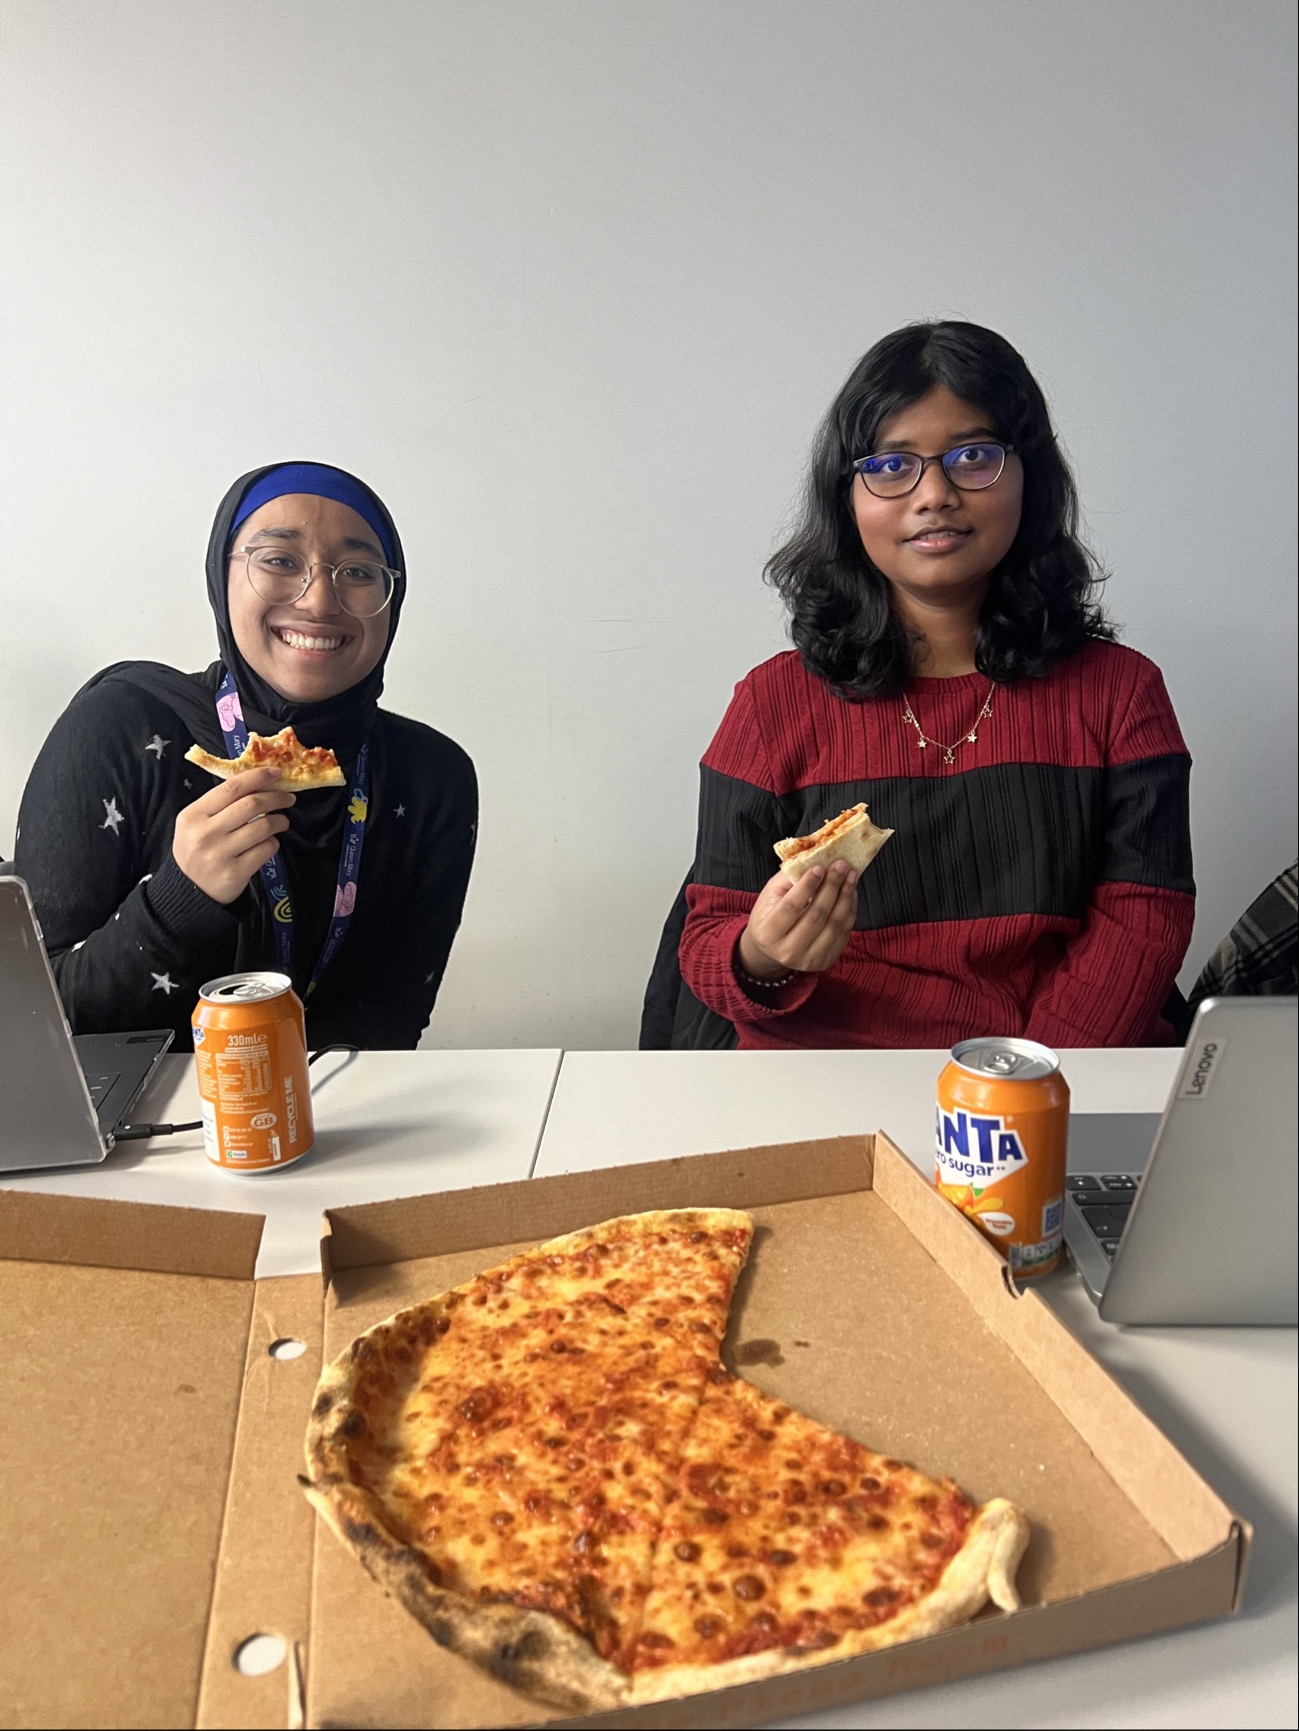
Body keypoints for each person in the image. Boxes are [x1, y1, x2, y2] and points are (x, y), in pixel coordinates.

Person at [677, 321, 1194, 1050]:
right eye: (891, 465)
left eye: (973, 456)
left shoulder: (1120, 693)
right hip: (825, 1088)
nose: (933, 494)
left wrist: (1016, 1084)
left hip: (1055, 1080)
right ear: (846, 497)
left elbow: (1146, 916)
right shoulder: (770, 706)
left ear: (1030, 475)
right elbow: (705, 943)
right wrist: (762, 954)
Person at [15, 462, 476, 1049]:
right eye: (280, 560)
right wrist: (180, 898)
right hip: (134, 1135)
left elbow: (392, 1023)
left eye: (358, 570)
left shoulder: (431, 777)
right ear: (220, 577)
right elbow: (31, 1030)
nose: (318, 600)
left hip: (334, 1118)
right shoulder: (121, 727)